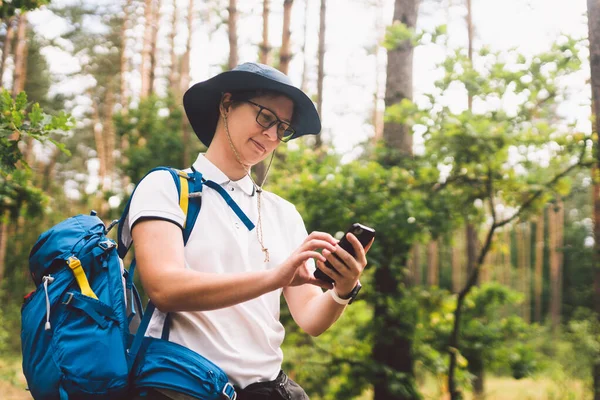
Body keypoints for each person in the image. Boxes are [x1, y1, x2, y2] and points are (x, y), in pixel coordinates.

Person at [121, 62, 373, 400]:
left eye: (283, 128)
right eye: (266, 117)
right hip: (184, 387)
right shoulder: (166, 187)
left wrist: (342, 290)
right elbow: (165, 287)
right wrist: (276, 275)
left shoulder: (283, 213)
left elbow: (310, 319)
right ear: (226, 104)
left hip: (267, 390)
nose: (272, 135)